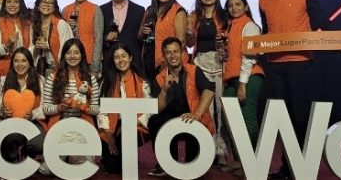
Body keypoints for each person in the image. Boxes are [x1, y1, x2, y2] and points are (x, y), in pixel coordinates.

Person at [259, 0, 321, 180]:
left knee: (300, 115)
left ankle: (302, 167)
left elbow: (321, 22)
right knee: (282, 118)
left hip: (300, 63)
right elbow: (266, 31)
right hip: (275, 65)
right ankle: (287, 167)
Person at [146, 37, 215, 177]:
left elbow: (209, 91)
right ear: (164, 55)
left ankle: (194, 163)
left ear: (182, 53)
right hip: (170, 122)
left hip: (192, 119)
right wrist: (164, 90)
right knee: (154, 120)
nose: (173, 56)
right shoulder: (159, 78)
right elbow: (157, 109)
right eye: (168, 52)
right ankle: (165, 163)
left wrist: (197, 114)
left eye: (176, 51)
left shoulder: (194, 70)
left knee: (193, 170)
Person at [185, 0, 230, 167]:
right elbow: (189, 44)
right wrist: (189, 34)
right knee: (205, 110)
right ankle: (208, 149)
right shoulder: (194, 16)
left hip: (219, 64)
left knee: (220, 110)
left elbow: (230, 42)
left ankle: (221, 150)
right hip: (200, 64)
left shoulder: (225, 15)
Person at [221, 0, 264, 175]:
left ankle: (252, 163)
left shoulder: (250, 26)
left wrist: (242, 83)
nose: (234, 8)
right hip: (232, 78)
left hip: (248, 78)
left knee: (248, 120)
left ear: (246, 7)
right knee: (230, 120)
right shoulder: (230, 27)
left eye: (238, 4)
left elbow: (250, 56)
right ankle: (239, 160)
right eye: (230, 5)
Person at [42, 39, 101, 165]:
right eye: (68, 53)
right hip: (59, 125)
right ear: (64, 55)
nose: (72, 56)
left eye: (76, 52)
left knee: (84, 167)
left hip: (83, 126)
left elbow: (96, 109)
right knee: (48, 169)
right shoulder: (53, 77)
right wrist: (59, 107)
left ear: (82, 55)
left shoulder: (90, 78)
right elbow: (46, 108)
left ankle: (75, 155)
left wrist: (85, 108)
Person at [97, 43, 152, 174]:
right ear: (113, 61)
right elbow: (101, 112)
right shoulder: (107, 82)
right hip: (111, 126)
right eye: (117, 57)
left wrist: (131, 124)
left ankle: (128, 157)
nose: (121, 60)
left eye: (124, 56)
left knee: (124, 167)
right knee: (112, 168)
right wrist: (110, 138)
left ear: (130, 58)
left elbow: (149, 109)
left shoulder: (141, 81)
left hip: (135, 126)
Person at [0, 47, 46, 164]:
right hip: (11, 121)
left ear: (30, 63)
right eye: (16, 61)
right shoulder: (4, 80)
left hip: (33, 122)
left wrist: (32, 114)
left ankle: (26, 152)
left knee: (39, 143)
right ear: (12, 63)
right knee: (9, 139)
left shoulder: (39, 80)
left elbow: (43, 107)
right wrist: (3, 111)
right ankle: (15, 158)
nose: (20, 65)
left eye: (24, 61)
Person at [139, 0, 187, 79]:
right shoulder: (149, 10)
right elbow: (139, 36)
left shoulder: (178, 11)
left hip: (168, 63)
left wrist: (167, 62)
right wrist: (142, 32)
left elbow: (181, 42)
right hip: (149, 59)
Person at [100, 0, 145, 71]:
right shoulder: (101, 10)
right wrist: (105, 38)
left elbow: (142, 39)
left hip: (133, 63)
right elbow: (97, 37)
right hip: (110, 64)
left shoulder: (139, 10)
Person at [62, 0, 105, 75]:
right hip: (70, 61)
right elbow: (63, 38)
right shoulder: (66, 10)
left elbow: (98, 39)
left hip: (89, 61)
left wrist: (95, 67)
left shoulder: (95, 9)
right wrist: (67, 26)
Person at [31, 0, 74, 78]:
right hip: (39, 72)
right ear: (38, 6)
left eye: (50, 3)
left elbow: (67, 49)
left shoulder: (61, 24)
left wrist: (48, 46)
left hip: (59, 71)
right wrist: (36, 47)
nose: (47, 4)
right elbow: (29, 51)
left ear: (54, 8)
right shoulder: (34, 26)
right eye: (44, 2)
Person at [0, 0, 33, 78]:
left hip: (25, 69)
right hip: (4, 71)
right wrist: (7, 45)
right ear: (4, 4)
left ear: (20, 4)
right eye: (9, 2)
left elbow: (31, 47)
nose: (12, 5)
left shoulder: (28, 23)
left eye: (16, 2)